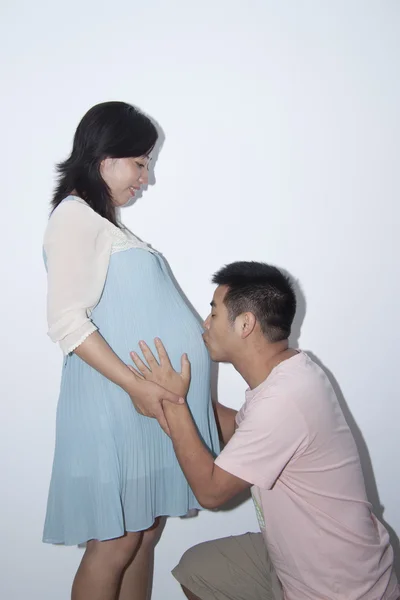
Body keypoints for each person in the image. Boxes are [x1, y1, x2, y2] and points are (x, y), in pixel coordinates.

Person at [131, 261, 399, 600]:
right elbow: (237, 428)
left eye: (213, 314)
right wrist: (175, 396)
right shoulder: (289, 375)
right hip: (293, 566)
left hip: (342, 589)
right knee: (198, 570)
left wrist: (175, 405)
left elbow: (211, 492)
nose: (205, 324)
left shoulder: (284, 399)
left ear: (245, 324)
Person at [42, 101, 219, 600]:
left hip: (142, 412)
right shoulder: (75, 217)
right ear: (105, 158)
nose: (147, 177)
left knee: (143, 534)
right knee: (117, 542)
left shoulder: (105, 225)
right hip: (119, 407)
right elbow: (66, 324)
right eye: (141, 163)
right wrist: (138, 387)